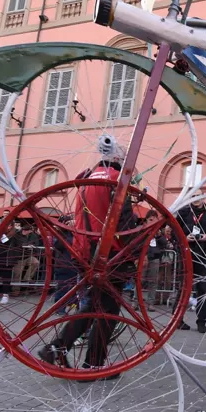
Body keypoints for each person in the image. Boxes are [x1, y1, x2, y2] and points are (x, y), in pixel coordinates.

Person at [40, 148, 138, 376]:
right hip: (109, 254)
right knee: (108, 311)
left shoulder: (87, 179)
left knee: (93, 305)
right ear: (119, 161)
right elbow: (123, 223)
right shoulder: (117, 180)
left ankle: (56, 348)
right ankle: (93, 364)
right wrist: (132, 253)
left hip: (84, 251)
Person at [175, 199, 206, 333]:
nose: (196, 198)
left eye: (198, 195)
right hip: (186, 255)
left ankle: (201, 322)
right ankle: (177, 320)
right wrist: (184, 237)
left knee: (203, 289)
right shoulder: (183, 213)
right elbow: (173, 231)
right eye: (193, 195)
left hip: (204, 256)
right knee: (183, 288)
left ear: (204, 197)